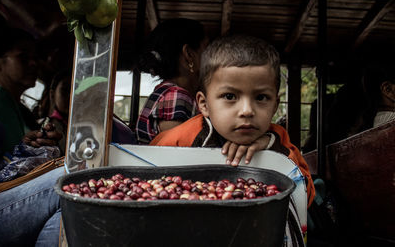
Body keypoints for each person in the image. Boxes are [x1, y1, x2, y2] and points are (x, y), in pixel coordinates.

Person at [150, 34, 315, 207]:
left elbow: (306, 196)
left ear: (275, 105)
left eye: (261, 97)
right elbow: (146, 171)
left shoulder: (278, 139)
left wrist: (272, 150)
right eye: (230, 96)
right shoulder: (182, 138)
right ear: (204, 104)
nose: (247, 111)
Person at [0, 28, 64, 246]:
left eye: (36, 58)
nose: (33, 64)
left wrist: (31, 148)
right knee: (70, 182)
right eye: (23, 57)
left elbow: (9, 154)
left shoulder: (18, 106)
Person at [135, 18, 209, 144]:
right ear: (189, 55)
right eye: (207, 50)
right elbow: (175, 151)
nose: (213, 58)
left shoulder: (167, 91)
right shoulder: (176, 96)